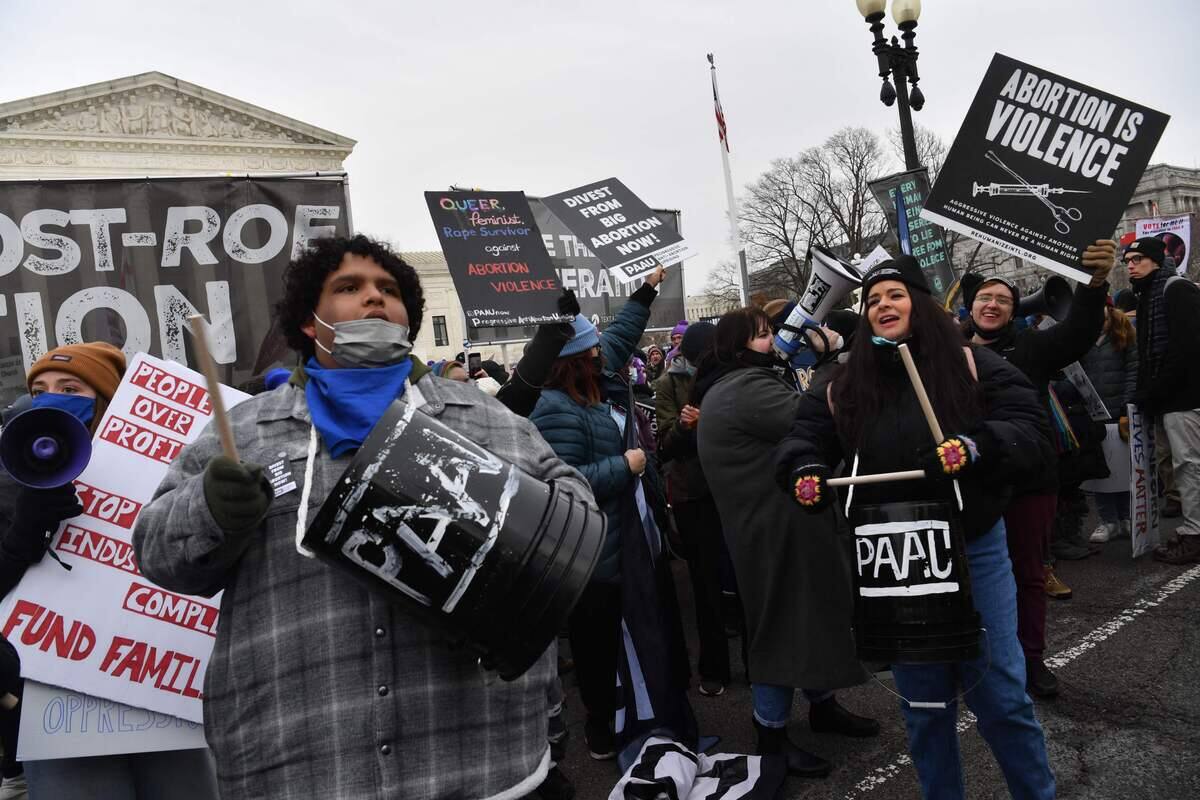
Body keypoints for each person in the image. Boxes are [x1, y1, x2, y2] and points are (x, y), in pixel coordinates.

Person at [133, 235, 596, 800]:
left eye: (389, 290)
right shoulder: (245, 432)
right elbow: (156, 555)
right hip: (304, 766)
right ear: (310, 322)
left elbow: (572, 512)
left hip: (482, 761)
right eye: (349, 288)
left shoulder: (487, 419)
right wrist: (208, 509)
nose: (374, 299)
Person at [776, 256, 1054, 799]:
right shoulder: (841, 383)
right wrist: (803, 469)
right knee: (925, 709)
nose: (882, 304)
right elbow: (801, 439)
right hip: (894, 560)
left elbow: (1029, 426)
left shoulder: (971, 364)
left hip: (973, 548)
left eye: (895, 295)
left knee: (1002, 697)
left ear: (921, 306)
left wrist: (976, 448)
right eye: (874, 299)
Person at [0, 342, 220, 799]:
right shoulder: (14, 479)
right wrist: (23, 534)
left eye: (69, 387)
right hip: (57, 707)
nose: (49, 399)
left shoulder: (169, 475)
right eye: (38, 390)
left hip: (165, 702)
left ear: (107, 400)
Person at [696, 307, 878, 780]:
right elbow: (813, 417)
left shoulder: (734, 385)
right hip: (773, 531)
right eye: (761, 336)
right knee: (779, 628)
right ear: (738, 347)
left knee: (807, 619)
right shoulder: (745, 389)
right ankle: (770, 735)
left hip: (776, 526)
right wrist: (829, 362)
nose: (772, 341)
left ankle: (822, 706)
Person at [529, 267, 669, 761]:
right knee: (595, 644)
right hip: (586, 555)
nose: (602, 356)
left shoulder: (585, 390)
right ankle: (598, 724)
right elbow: (563, 484)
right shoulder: (551, 409)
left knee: (621, 635)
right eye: (591, 351)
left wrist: (647, 290)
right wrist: (624, 464)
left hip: (615, 545)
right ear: (572, 363)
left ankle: (630, 708)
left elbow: (620, 335)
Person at [963, 240, 1114, 697]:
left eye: (1003, 300)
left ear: (1013, 311)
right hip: (967, 482)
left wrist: (1094, 284)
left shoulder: (1032, 346)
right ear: (970, 306)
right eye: (985, 298)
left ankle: (1030, 661)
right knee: (969, 578)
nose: (992, 304)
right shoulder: (943, 350)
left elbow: (1078, 334)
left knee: (1028, 573)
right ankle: (977, 660)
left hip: (1029, 481)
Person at [654, 322, 731, 697]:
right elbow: (666, 443)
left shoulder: (732, 376)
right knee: (704, 582)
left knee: (741, 576)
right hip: (693, 492)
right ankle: (713, 667)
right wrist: (689, 427)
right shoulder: (668, 384)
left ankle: (759, 664)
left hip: (731, 487)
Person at [1122, 236, 1200, 564]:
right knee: (1183, 466)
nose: (1130, 265)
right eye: (1127, 261)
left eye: (1137, 259)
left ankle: (1196, 533)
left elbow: (1186, 347)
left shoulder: (1176, 289)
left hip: (1185, 397)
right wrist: (1144, 393)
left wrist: (1154, 389)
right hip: (1169, 399)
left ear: (1156, 260)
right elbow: (1147, 353)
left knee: (1189, 466)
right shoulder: (1149, 296)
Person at [1080, 302, 1139, 543]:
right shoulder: (1082, 337)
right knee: (1101, 472)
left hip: (1120, 415)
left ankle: (1126, 518)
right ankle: (1108, 521)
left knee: (1124, 471)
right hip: (1093, 417)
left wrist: (1127, 408)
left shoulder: (1124, 333)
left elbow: (1134, 371)